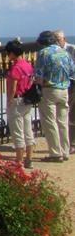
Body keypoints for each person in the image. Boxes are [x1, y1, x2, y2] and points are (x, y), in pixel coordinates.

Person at [35, 30, 75, 163]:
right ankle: (65, 151)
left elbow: (39, 74)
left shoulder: (43, 53)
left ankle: (55, 153)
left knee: (50, 122)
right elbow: (72, 71)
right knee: (63, 122)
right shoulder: (65, 52)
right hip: (64, 89)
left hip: (49, 89)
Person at [5, 41, 35, 169]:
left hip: (17, 99)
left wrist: (9, 101)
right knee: (28, 130)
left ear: (12, 53)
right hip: (26, 99)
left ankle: (19, 160)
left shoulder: (16, 67)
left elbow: (13, 87)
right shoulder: (28, 65)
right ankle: (29, 158)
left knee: (17, 131)